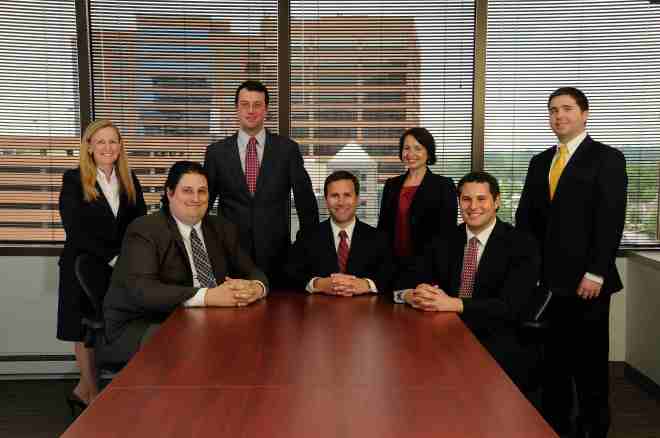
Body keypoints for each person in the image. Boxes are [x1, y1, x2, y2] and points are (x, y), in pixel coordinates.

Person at [516, 87, 627, 438]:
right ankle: (556, 428)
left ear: (584, 114)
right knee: (554, 367)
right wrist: (529, 271)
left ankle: (594, 431)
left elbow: (610, 220)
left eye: (566, 109)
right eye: (553, 110)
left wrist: (596, 272)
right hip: (548, 286)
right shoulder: (539, 162)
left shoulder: (607, 158)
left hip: (587, 285)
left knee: (589, 368)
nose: (558, 116)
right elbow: (525, 220)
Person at [103, 161, 268, 364]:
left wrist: (255, 288)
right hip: (143, 323)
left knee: (255, 343)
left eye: (202, 191)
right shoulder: (144, 230)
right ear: (170, 193)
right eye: (187, 191)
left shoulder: (221, 227)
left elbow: (252, 270)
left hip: (203, 320)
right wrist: (208, 296)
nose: (196, 199)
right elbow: (144, 291)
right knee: (200, 350)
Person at [396, 171, 540, 390]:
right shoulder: (443, 240)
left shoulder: (522, 244)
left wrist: (454, 303)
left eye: (481, 199)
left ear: (496, 201)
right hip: (443, 334)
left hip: (497, 340)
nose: (473, 206)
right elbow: (405, 278)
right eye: (466, 199)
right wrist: (412, 295)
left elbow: (511, 306)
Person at [58, 119, 147, 410]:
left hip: (119, 268)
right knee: (84, 329)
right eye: (100, 142)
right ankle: (92, 394)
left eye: (112, 141)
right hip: (82, 265)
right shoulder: (74, 179)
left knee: (108, 324)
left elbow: (139, 223)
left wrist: (132, 257)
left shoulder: (129, 179)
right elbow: (75, 229)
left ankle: (82, 390)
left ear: (120, 146)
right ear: (89, 147)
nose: (107, 147)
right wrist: (111, 255)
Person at [204, 80, 319, 287]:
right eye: (245, 104)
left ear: (266, 109)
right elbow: (203, 205)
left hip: (278, 258)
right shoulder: (216, 153)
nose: (251, 110)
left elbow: (306, 205)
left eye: (257, 105)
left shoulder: (287, 150)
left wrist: (303, 247)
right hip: (231, 256)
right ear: (236, 108)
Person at [285, 170, 393, 296]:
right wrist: (318, 284)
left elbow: (390, 274)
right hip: (319, 306)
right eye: (334, 196)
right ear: (326, 200)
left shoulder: (378, 238)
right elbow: (290, 273)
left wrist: (367, 284)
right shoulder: (307, 236)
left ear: (357, 199)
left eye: (347, 195)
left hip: (365, 307)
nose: (341, 202)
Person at [378, 127, 457, 275]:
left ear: (428, 152)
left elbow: (446, 235)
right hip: (392, 267)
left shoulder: (443, 186)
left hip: (429, 269)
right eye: (406, 148)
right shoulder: (391, 185)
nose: (411, 154)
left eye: (418, 148)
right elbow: (383, 229)